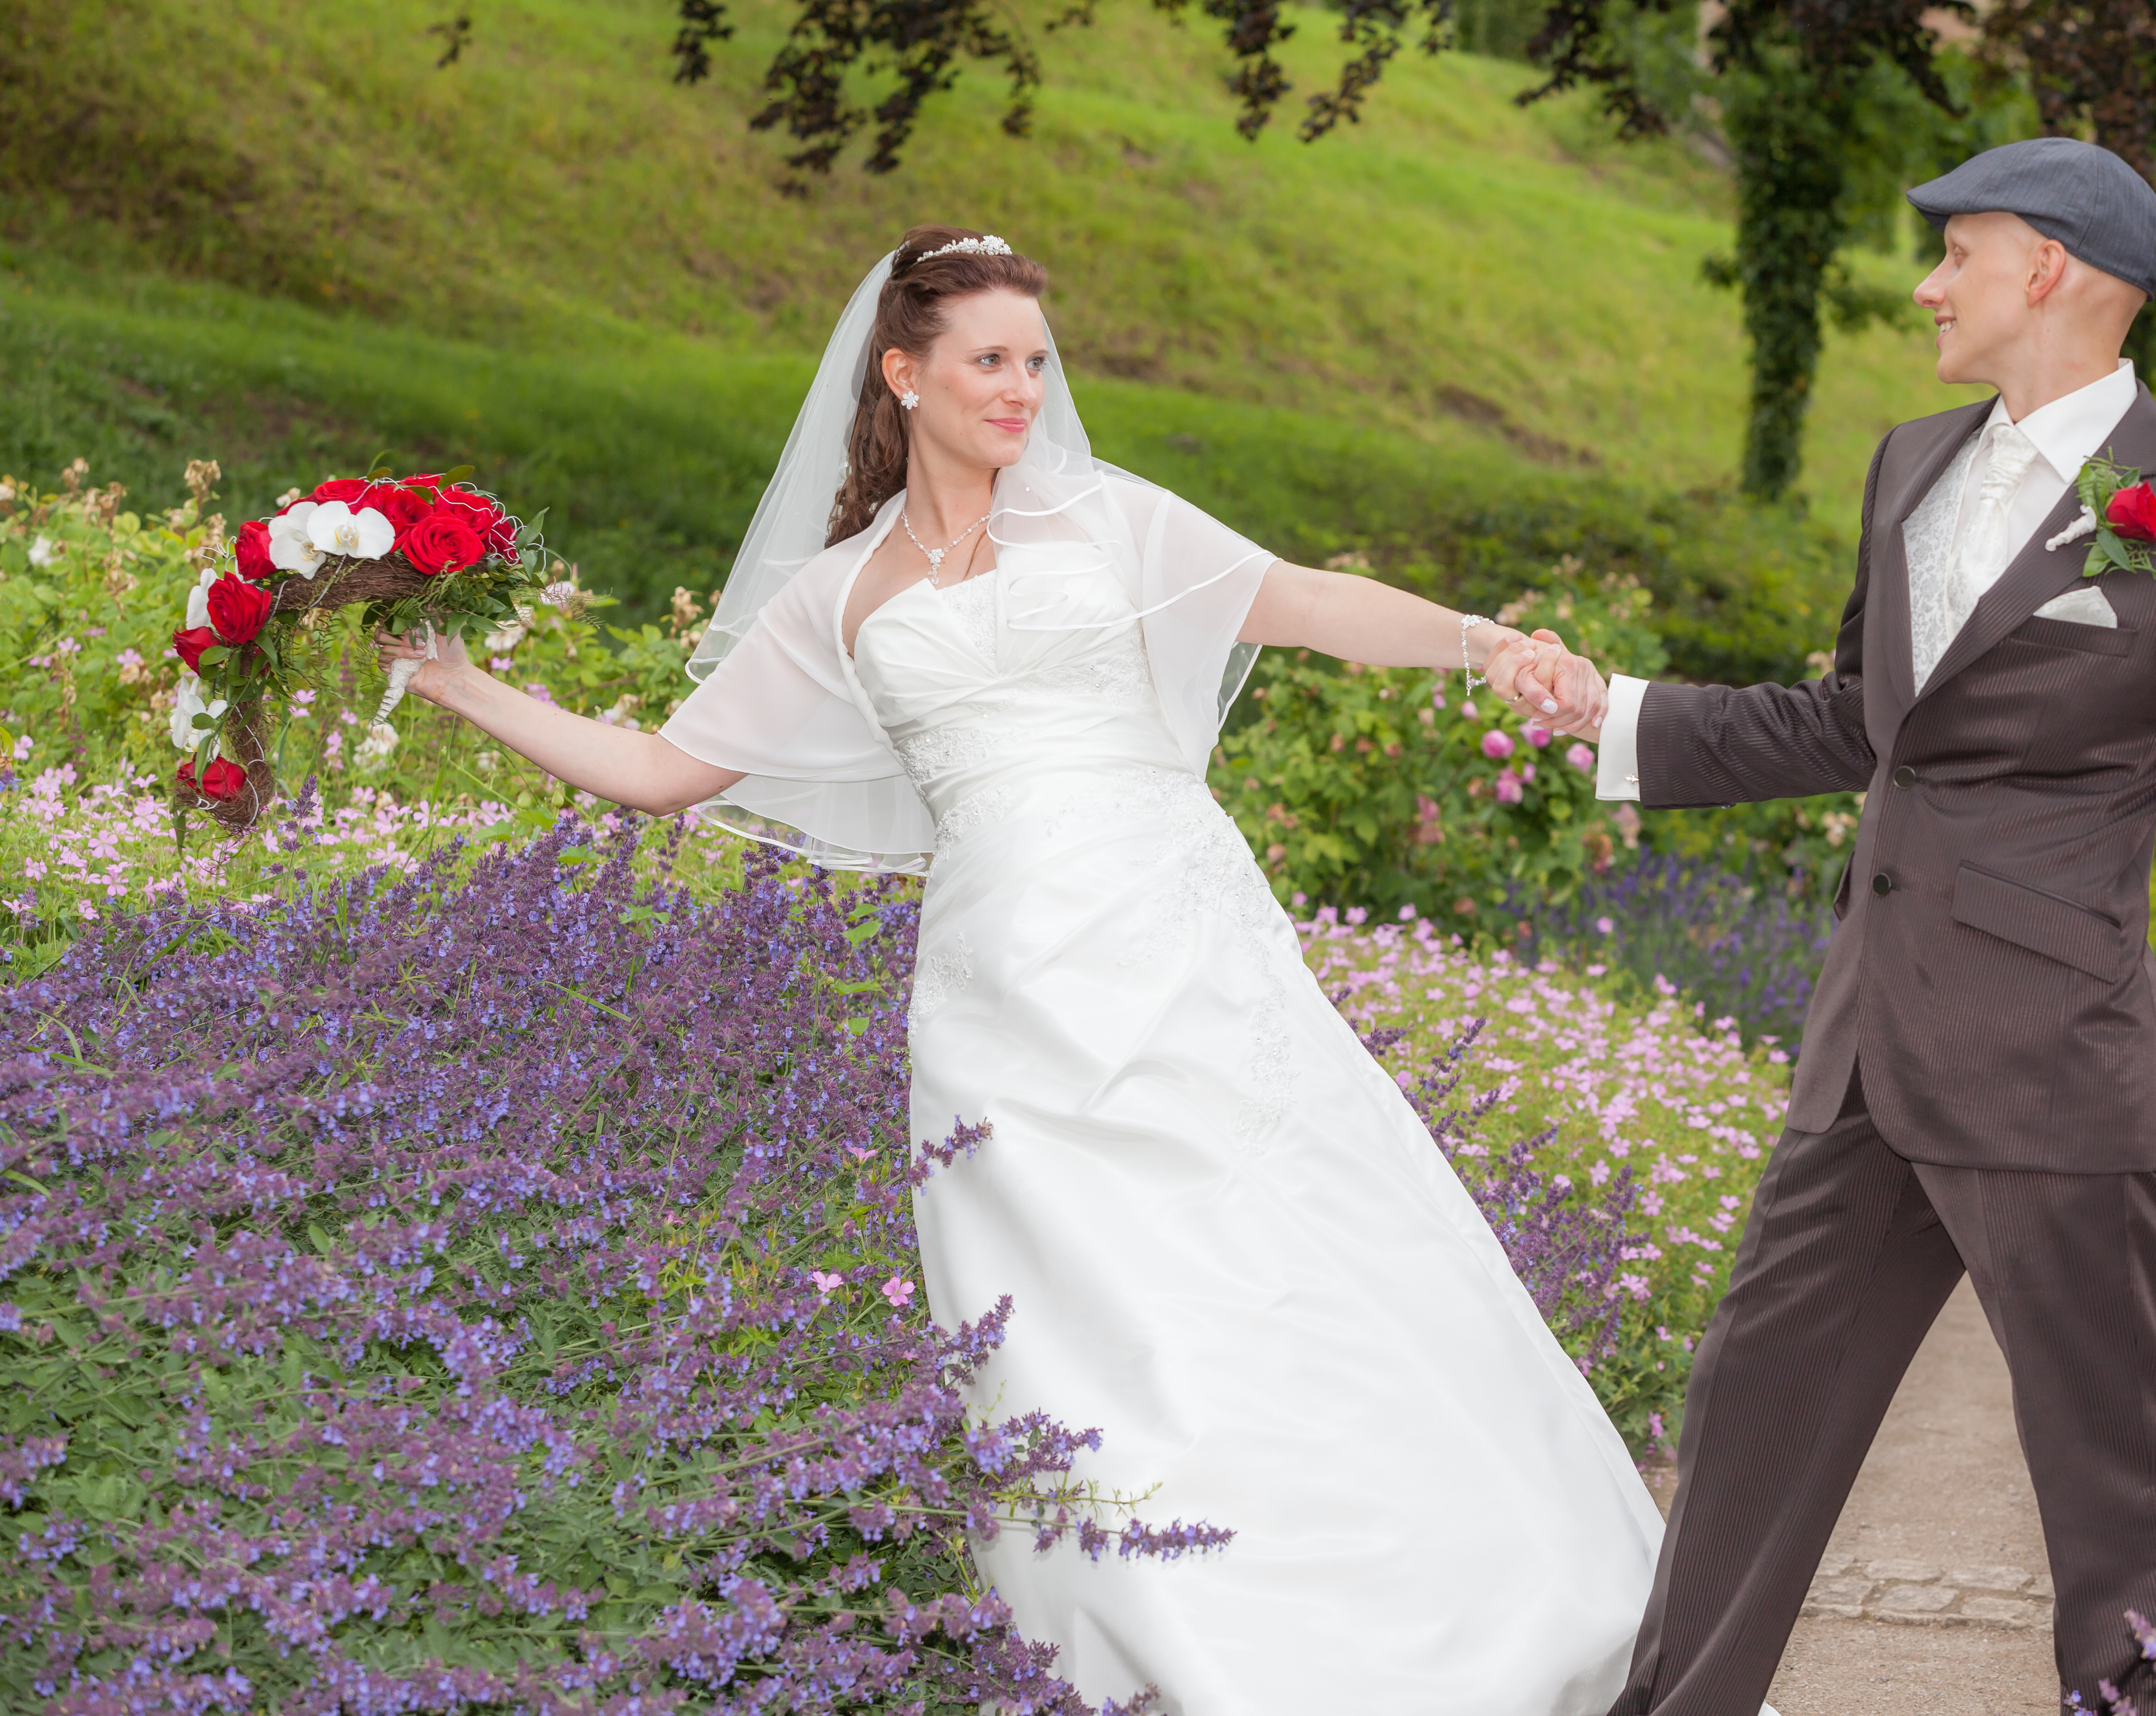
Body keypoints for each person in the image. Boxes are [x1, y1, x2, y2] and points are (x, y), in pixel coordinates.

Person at [376, 225, 1661, 1714]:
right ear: (904, 374)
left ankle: (1466, 1615)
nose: (1023, 391)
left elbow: (1302, 600)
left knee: (1298, 1259)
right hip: (1002, 997)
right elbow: (667, 770)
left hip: (1183, 949)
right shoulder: (839, 597)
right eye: (990, 361)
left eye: (1037, 362)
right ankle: (1182, 1654)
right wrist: (466, 687)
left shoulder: (1112, 523)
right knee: (1084, 1326)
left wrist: (1485, 642)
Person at [1529, 138, 2156, 1715]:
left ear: (2049, 269)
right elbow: (1862, 722)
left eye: (1955, 253)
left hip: (2047, 1072)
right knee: (1752, 1414)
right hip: (1864, 1053)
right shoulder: (1910, 462)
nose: (1927, 285)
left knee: (2114, 1496)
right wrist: (1616, 715)